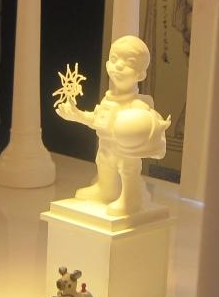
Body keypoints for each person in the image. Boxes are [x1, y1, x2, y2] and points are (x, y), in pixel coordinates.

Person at [55, 36, 171, 217]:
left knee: (127, 166)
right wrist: (77, 115)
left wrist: (143, 130)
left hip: (125, 152)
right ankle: (105, 190)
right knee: (104, 162)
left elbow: (145, 126)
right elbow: (98, 120)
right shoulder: (108, 99)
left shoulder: (138, 104)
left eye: (129, 62)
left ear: (141, 74)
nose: (118, 66)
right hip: (106, 149)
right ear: (107, 64)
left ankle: (131, 198)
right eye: (114, 59)